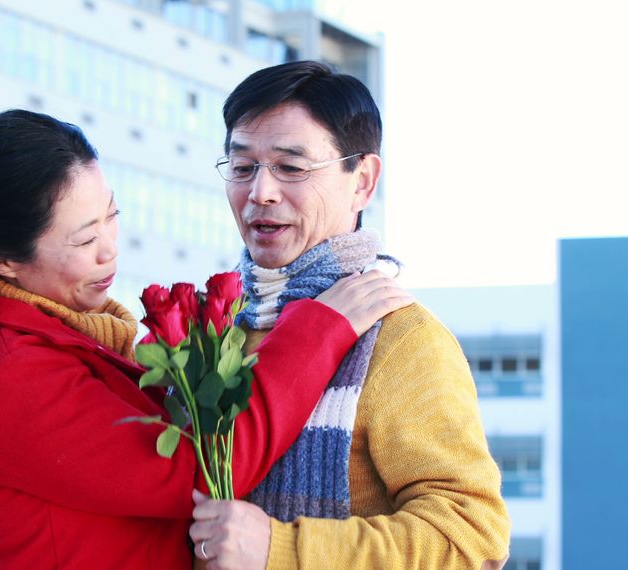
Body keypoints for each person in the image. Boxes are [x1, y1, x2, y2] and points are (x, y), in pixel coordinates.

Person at [0, 109, 414, 569]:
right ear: (3, 261)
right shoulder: (11, 370)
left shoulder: (67, 338)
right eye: (83, 239)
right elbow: (201, 472)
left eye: (111, 217)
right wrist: (320, 327)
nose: (109, 250)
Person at [183, 61, 511, 569]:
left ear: (362, 181)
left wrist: (281, 549)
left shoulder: (400, 337)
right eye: (243, 167)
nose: (260, 193)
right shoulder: (212, 331)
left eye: (291, 168)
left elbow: (473, 541)